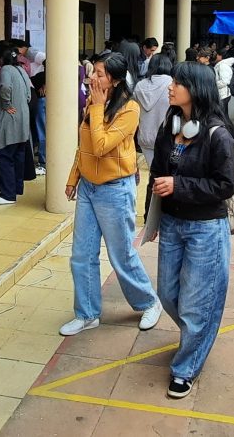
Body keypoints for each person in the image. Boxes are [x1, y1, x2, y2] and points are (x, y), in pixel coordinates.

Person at [149, 61, 234, 399]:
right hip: (171, 222)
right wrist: (152, 219)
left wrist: (180, 185)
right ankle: (195, 339)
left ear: (195, 89)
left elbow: (225, 185)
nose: (170, 87)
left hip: (205, 228)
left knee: (197, 303)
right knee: (169, 295)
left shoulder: (217, 133)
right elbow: (158, 174)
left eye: (177, 83)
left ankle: (186, 367)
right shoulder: (168, 127)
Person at [61, 52, 161, 337]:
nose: (93, 78)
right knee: (81, 255)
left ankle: (149, 302)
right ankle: (87, 313)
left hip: (115, 190)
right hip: (89, 189)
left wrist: (96, 106)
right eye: (94, 72)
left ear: (115, 81)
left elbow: (102, 144)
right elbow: (85, 146)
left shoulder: (129, 109)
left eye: (100, 74)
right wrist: (73, 178)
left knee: (121, 255)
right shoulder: (95, 105)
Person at [0, 47, 31, 205]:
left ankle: (7, 195)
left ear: (1, 59)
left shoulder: (6, 69)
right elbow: (28, 92)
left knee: (4, 155)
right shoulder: (20, 69)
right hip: (22, 118)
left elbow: (5, 87)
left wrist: (7, 104)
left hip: (9, 119)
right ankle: (16, 188)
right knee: (18, 155)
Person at [134, 52, 173, 165]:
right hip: (166, 137)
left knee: (154, 173)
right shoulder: (172, 84)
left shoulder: (140, 85)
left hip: (145, 136)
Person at [213, 46, 234, 146]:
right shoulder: (222, 65)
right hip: (223, 94)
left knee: (223, 117)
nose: (215, 56)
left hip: (223, 94)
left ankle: (233, 138)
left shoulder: (222, 66)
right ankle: (232, 138)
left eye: (217, 54)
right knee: (224, 116)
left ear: (220, 56)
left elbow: (225, 81)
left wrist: (213, 84)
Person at [31, 72, 47, 176]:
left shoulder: (40, 76)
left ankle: (43, 162)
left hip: (42, 101)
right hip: (51, 102)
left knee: (42, 133)